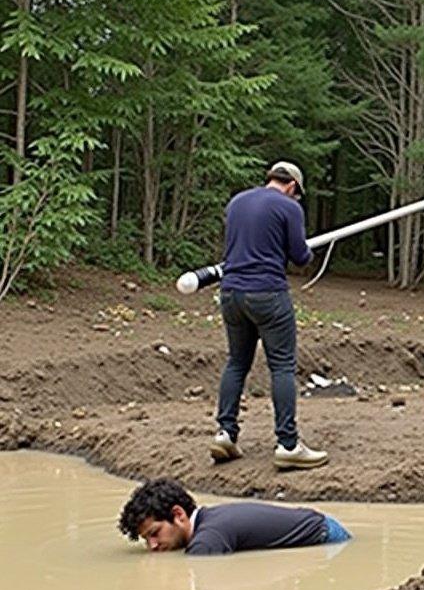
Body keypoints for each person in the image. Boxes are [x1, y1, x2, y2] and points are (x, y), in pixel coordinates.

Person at [211, 160, 328, 471]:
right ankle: (288, 444)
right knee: (282, 366)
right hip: (268, 293)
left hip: (231, 292)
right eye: (297, 194)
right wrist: (306, 249)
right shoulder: (289, 208)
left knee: (237, 362)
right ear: (291, 186)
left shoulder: (237, 202)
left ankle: (225, 433)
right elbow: (300, 257)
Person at [118, 478, 351, 555]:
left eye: (154, 534)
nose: (152, 546)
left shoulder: (207, 540)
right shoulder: (210, 520)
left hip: (327, 539)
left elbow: (200, 571)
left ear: (178, 515)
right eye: (146, 540)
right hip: (321, 525)